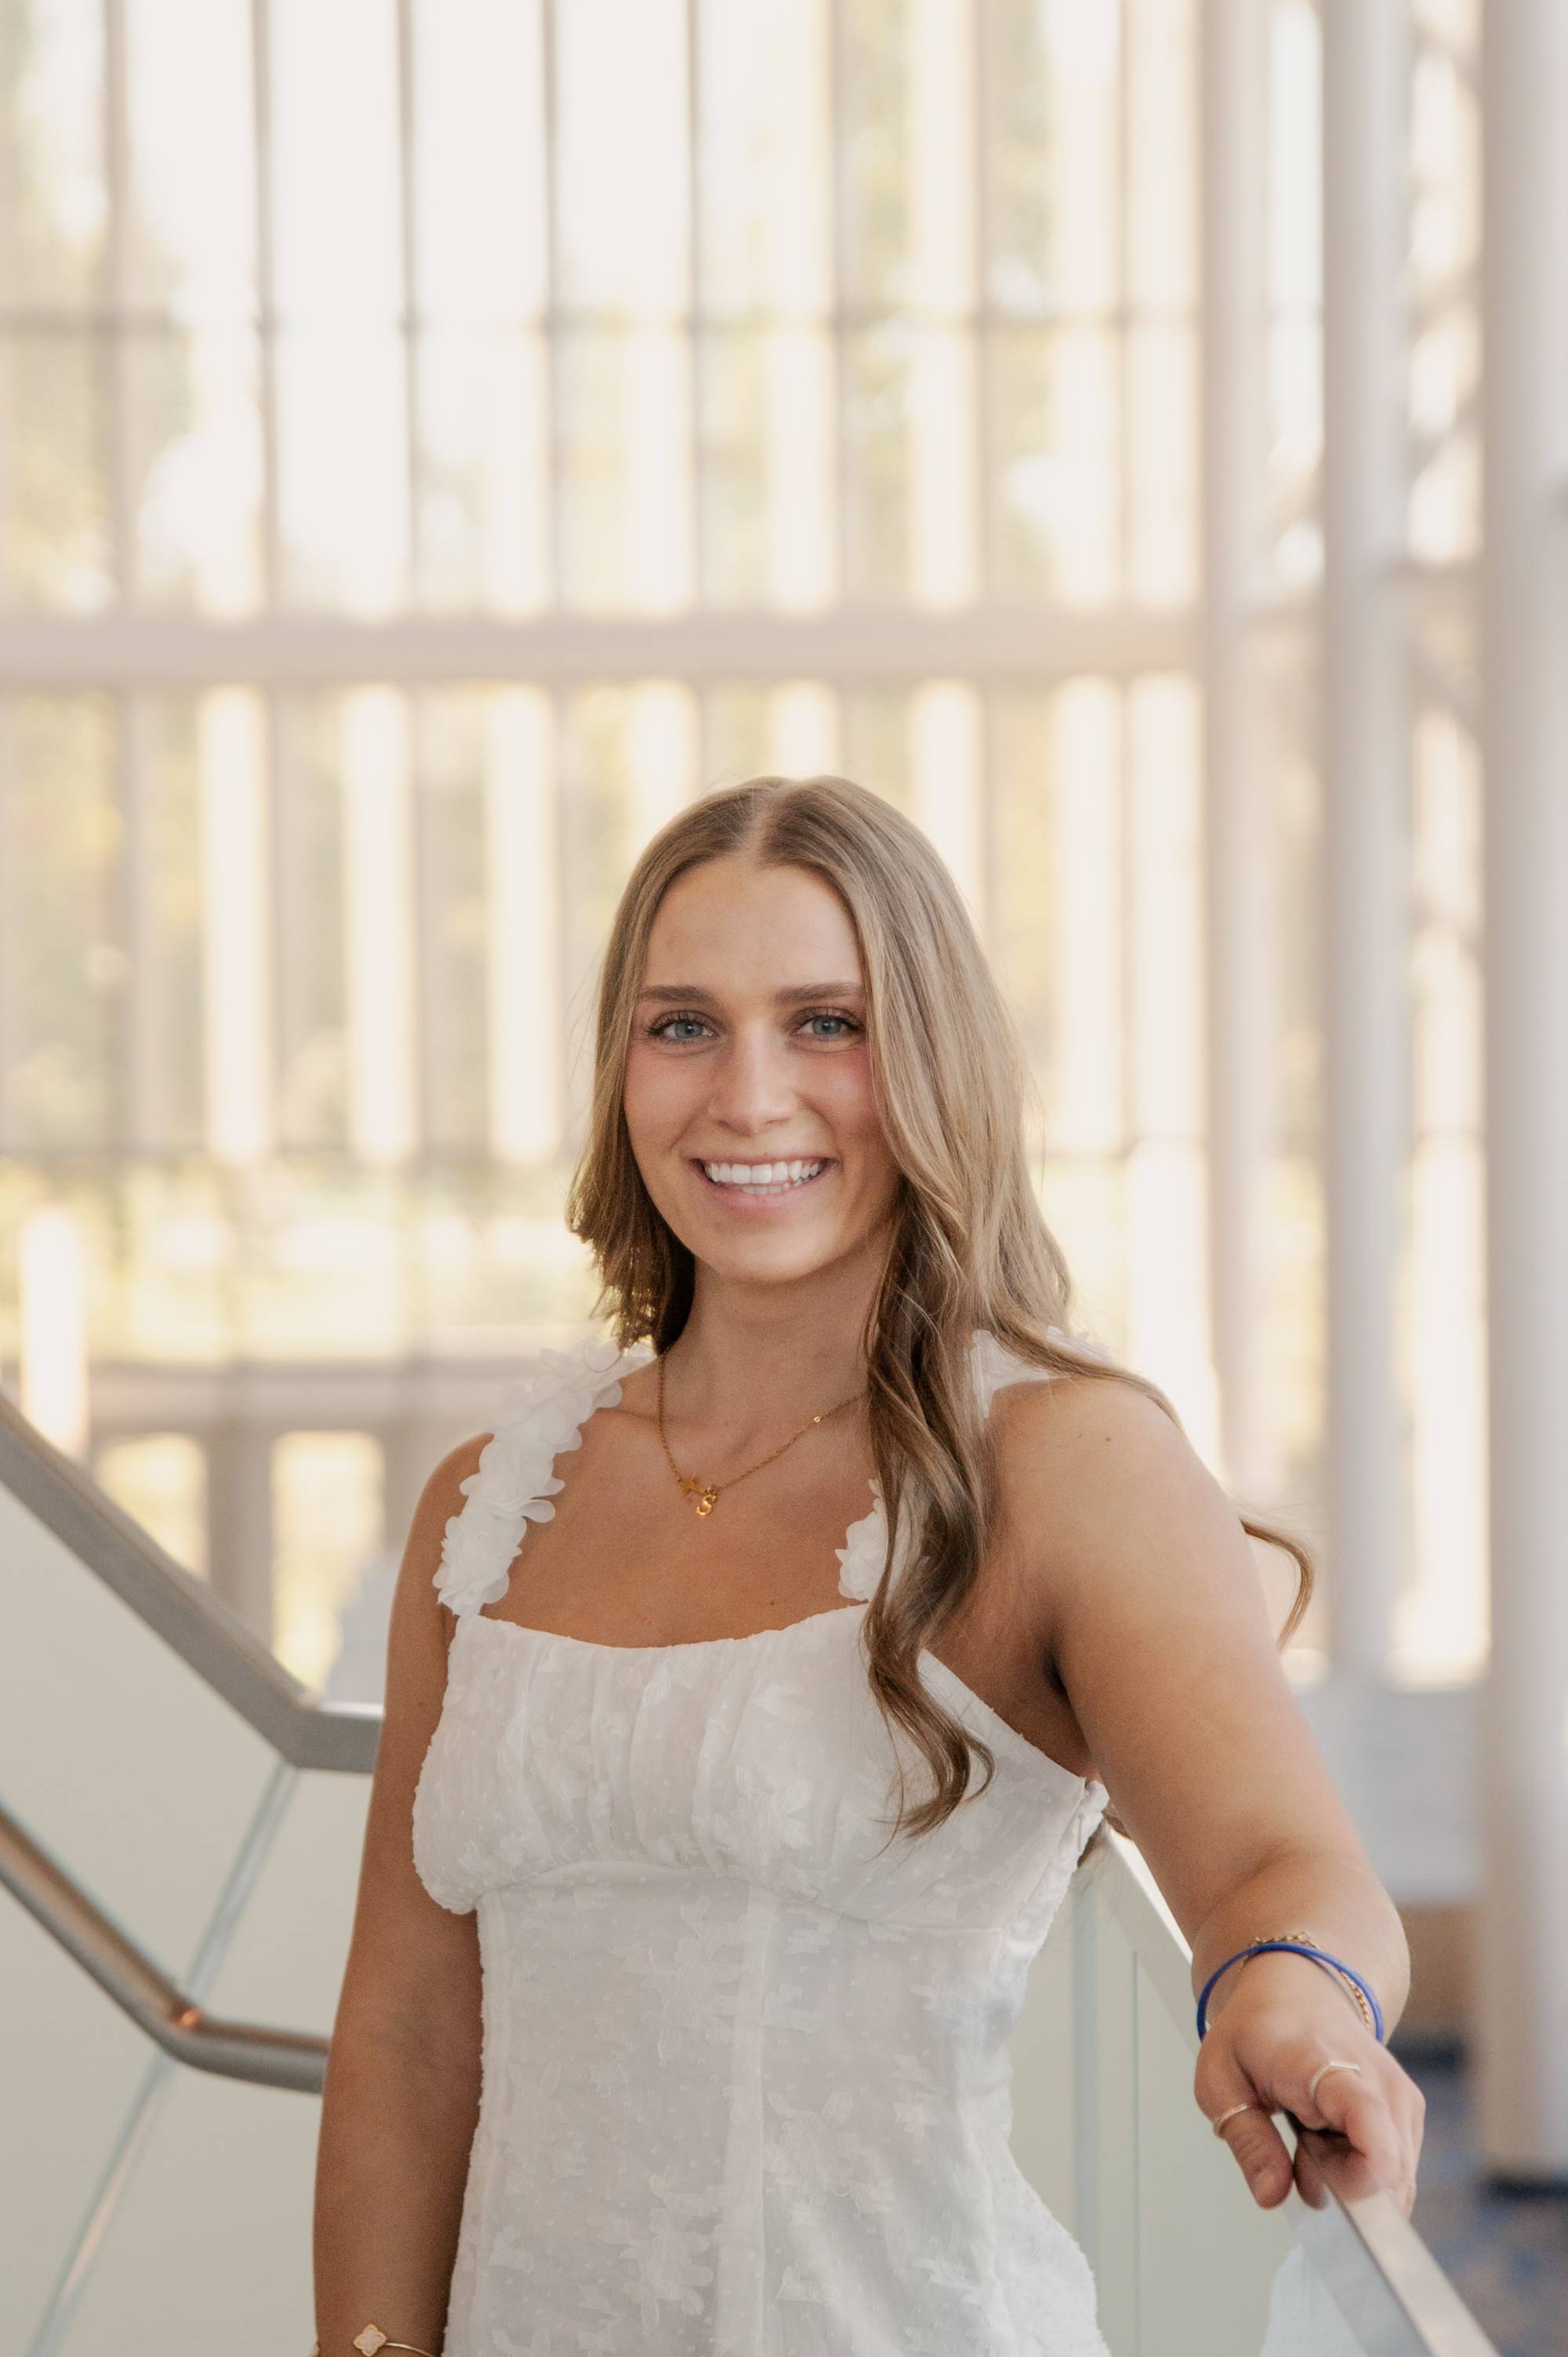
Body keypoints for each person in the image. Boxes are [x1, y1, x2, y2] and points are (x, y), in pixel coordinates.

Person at [313, 774, 1425, 2355]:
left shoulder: (1063, 1463)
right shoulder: (487, 1505)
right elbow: (412, 2036)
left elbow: (1275, 1864)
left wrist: (1294, 1993)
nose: (748, 1097)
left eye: (826, 1024)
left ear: (933, 1060)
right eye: (681, 1025)